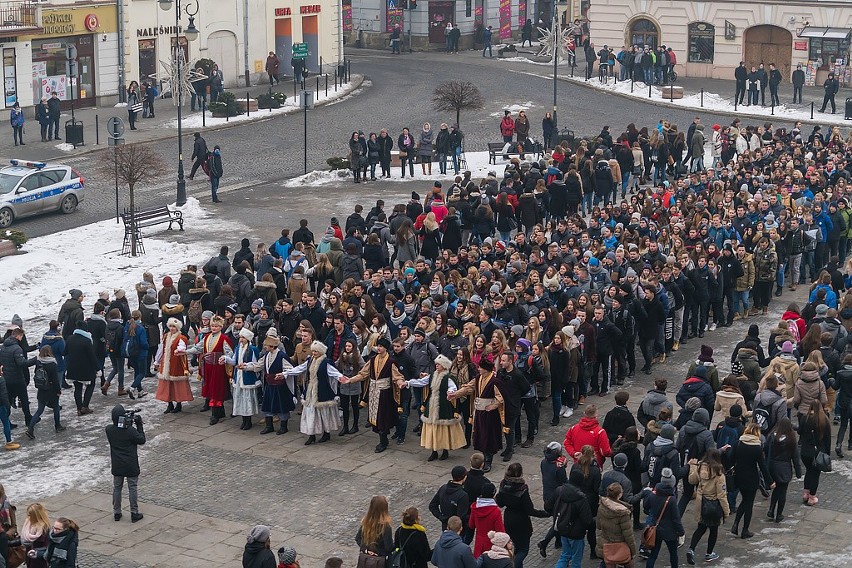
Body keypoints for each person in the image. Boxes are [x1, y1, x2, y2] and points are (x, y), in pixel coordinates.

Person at [408, 354, 466, 461]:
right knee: (432, 428)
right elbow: (421, 382)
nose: (437, 366)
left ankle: (445, 450)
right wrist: (409, 383)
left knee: (443, 428)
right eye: (436, 364)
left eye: (439, 364)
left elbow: (453, 388)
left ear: (444, 366)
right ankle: (434, 451)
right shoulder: (432, 376)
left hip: (444, 405)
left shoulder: (448, 378)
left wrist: (450, 392)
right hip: (432, 405)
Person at [285, 340, 344, 445]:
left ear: (321, 352)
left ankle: (326, 433)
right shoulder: (310, 361)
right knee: (310, 411)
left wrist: (343, 379)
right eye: (313, 351)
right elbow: (300, 369)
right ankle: (311, 435)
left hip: (322, 390)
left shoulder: (326, 362)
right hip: (310, 391)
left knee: (323, 412)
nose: (313, 353)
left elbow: (335, 373)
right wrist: (285, 373)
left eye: (316, 352)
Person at [495, 462, 548, 568]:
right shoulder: (522, 489)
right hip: (521, 521)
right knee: (523, 550)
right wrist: (545, 514)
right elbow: (530, 509)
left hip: (509, 519)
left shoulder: (503, 484)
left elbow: (499, 503)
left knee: (516, 547)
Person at [186, 315, 234, 425]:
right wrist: (185, 352)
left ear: (221, 327)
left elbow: (230, 353)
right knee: (211, 389)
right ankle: (220, 412)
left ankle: (215, 414)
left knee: (216, 389)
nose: (214, 328)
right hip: (208, 367)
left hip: (218, 368)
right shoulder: (206, 337)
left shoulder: (224, 339)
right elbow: (197, 348)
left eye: (216, 326)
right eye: (212, 326)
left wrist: (225, 359)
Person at [685, 448, 729, 564]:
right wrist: (726, 511)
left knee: (701, 528)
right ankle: (709, 554)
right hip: (714, 505)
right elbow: (722, 495)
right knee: (713, 531)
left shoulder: (700, 467)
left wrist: (693, 467)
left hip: (702, 502)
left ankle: (691, 549)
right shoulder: (719, 473)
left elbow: (692, 480)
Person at [731, 422, 772, 539]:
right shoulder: (757, 448)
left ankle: (735, 524)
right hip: (752, 478)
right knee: (748, 504)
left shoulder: (738, 443)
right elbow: (763, 466)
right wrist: (770, 481)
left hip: (739, 476)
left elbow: (731, 459)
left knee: (745, 500)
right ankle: (745, 530)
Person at [105, 404, 145, 522]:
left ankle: (117, 512)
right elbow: (141, 440)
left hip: (117, 464)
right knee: (132, 487)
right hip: (131, 464)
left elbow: (117, 429)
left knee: (117, 487)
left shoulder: (109, 430)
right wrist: (139, 425)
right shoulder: (130, 431)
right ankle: (134, 512)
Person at [547, 469, 593, 568]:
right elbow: (587, 520)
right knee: (576, 560)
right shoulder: (581, 498)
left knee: (565, 555)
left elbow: (548, 506)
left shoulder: (559, 490)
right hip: (576, 533)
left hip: (563, 528)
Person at [642, 467, 684, 568]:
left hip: (655, 529)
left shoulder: (652, 495)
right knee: (673, 554)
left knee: (653, 555)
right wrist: (681, 531)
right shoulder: (672, 499)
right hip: (670, 531)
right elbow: (676, 518)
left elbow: (646, 508)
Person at [153, 317, 193, 414]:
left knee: (176, 385)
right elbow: (161, 349)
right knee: (167, 385)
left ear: (177, 328)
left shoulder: (181, 338)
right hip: (166, 363)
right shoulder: (166, 336)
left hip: (176, 364)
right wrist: (157, 361)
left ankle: (178, 404)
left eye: (174, 327)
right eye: (170, 326)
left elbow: (182, 348)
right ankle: (169, 404)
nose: (171, 328)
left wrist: (179, 350)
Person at [766, 418, 802, 523]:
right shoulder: (791, 439)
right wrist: (798, 472)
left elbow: (765, 448)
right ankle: (779, 514)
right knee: (782, 491)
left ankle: (771, 509)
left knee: (776, 489)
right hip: (785, 468)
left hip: (773, 466)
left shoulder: (772, 437)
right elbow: (795, 457)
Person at [26, 345, 64, 439]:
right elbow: (55, 380)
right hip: (51, 390)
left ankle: (30, 428)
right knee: (56, 407)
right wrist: (58, 391)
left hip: (42, 390)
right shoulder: (52, 364)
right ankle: (58, 426)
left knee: (39, 410)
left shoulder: (38, 362)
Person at [798, 399, 832, 507]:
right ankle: (812, 497)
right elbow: (827, 440)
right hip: (817, 452)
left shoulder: (805, 418)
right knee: (815, 475)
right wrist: (827, 454)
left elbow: (800, 432)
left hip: (805, 451)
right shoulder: (824, 420)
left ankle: (805, 493)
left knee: (809, 471)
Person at [595, 483, 636, 568]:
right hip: (620, 545)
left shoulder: (602, 506)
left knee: (605, 562)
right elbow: (628, 535)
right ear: (619, 495)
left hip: (606, 543)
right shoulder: (623, 513)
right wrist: (632, 551)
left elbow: (598, 526)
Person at [430, 465, 470, 531]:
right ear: (464, 477)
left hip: (445, 527)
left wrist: (441, 517)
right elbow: (462, 517)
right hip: (458, 530)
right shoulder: (463, 495)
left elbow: (432, 506)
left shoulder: (443, 488)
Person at [469, 482, 505, 557]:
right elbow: (500, 531)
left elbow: (471, 525)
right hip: (491, 544)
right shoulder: (496, 511)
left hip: (479, 542)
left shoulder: (475, 507)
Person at [356, 496, 394, 561]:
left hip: (366, 560)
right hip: (380, 561)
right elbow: (388, 548)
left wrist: (366, 550)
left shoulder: (366, 522)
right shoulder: (385, 527)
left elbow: (358, 538)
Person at [21, 503, 49, 568]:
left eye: (30, 515)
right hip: (29, 557)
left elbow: (47, 548)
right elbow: (24, 538)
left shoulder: (44, 529)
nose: (28, 517)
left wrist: (36, 553)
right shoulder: (28, 524)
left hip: (39, 561)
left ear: (35, 516)